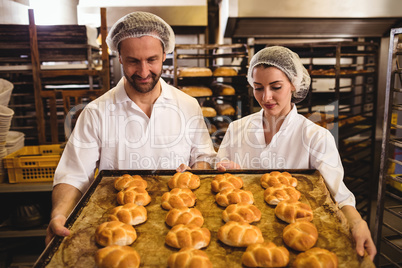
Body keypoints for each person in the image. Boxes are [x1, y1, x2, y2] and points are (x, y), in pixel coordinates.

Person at [45, 11, 216, 245]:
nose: (144, 72)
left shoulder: (187, 106)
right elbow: (74, 175)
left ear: (165, 54)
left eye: (152, 60)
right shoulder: (96, 112)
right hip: (117, 229)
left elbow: (203, 157)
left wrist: (195, 173)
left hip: (181, 226)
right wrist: (59, 214)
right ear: (120, 58)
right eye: (134, 61)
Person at [216, 46, 377, 260]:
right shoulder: (237, 129)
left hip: (299, 241)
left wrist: (358, 223)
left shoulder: (315, 137)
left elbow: (339, 196)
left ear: (294, 84)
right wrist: (226, 173)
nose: (266, 97)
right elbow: (218, 179)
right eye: (258, 87)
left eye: (276, 87)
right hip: (240, 237)